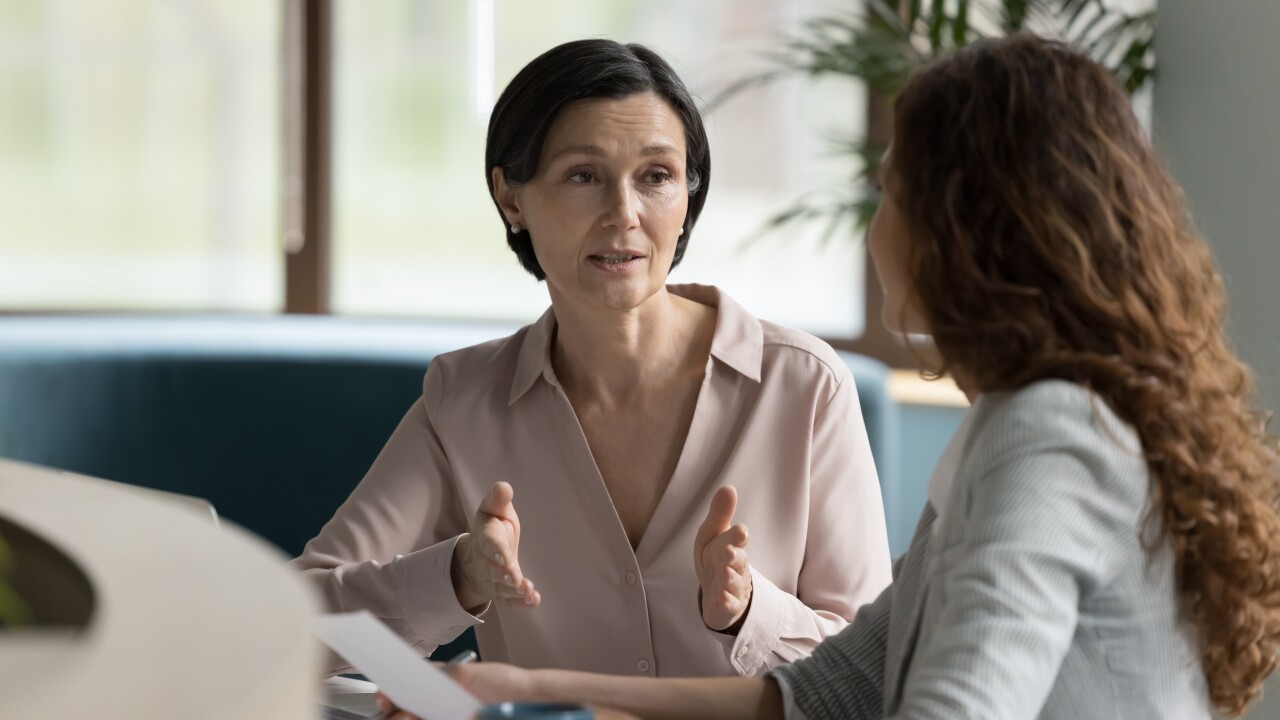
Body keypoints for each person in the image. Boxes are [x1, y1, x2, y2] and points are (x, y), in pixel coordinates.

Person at [381, 33, 1280, 720]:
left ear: (969, 229)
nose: (874, 229)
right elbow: (829, 691)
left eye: (892, 194)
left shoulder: (1046, 437)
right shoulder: (1017, 420)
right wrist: (517, 685)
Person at [290, 39, 892, 679]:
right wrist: (459, 576)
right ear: (512, 198)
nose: (625, 214)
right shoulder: (464, 401)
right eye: (584, 175)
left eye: (656, 177)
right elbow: (299, 625)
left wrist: (750, 614)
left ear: (688, 196)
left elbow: (873, 674)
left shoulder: (804, 387)